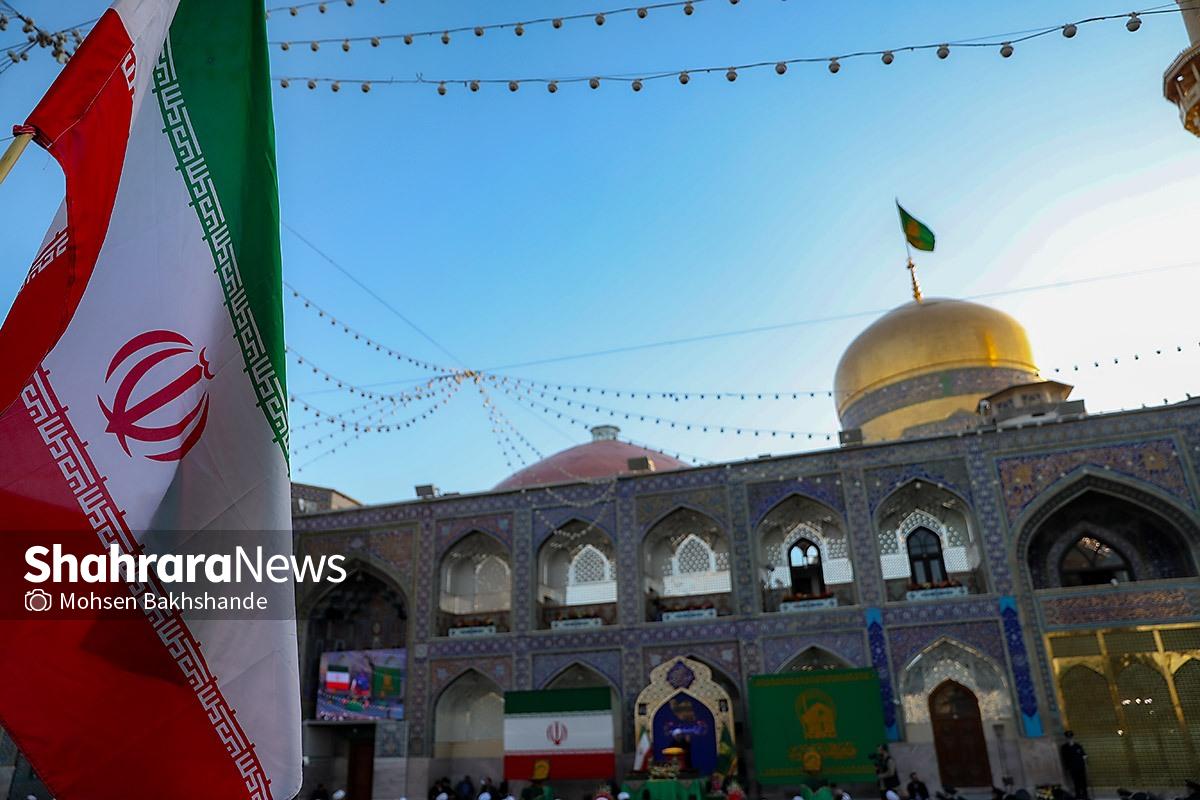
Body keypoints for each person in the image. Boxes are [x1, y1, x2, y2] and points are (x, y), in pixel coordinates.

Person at [1059, 730, 1088, 800]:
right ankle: (1078, 795)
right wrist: (1067, 768)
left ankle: (1085, 795)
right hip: (1072, 768)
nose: (1070, 739)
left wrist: (1086, 762)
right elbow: (1064, 759)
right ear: (1066, 738)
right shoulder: (1064, 747)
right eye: (1068, 737)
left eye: (1071, 737)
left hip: (1081, 767)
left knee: (1083, 781)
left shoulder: (1078, 746)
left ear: (1073, 737)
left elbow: (1084, 755)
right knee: (1076, 782)